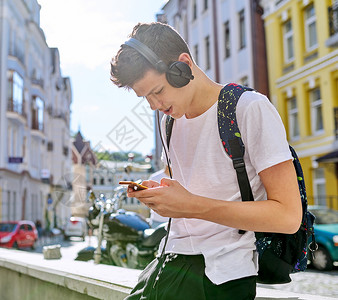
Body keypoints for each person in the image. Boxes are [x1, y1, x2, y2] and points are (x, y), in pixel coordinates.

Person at [110, 22, 301, 300]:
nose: (153, 105)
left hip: (223, 275)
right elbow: (188, 193)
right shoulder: (170, 124)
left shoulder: (248, 108)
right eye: (145, 98)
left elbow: (288, 217)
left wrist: (190, 206)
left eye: (158, 91)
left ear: (182, 67)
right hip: (169, 262)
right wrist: (161, 196)